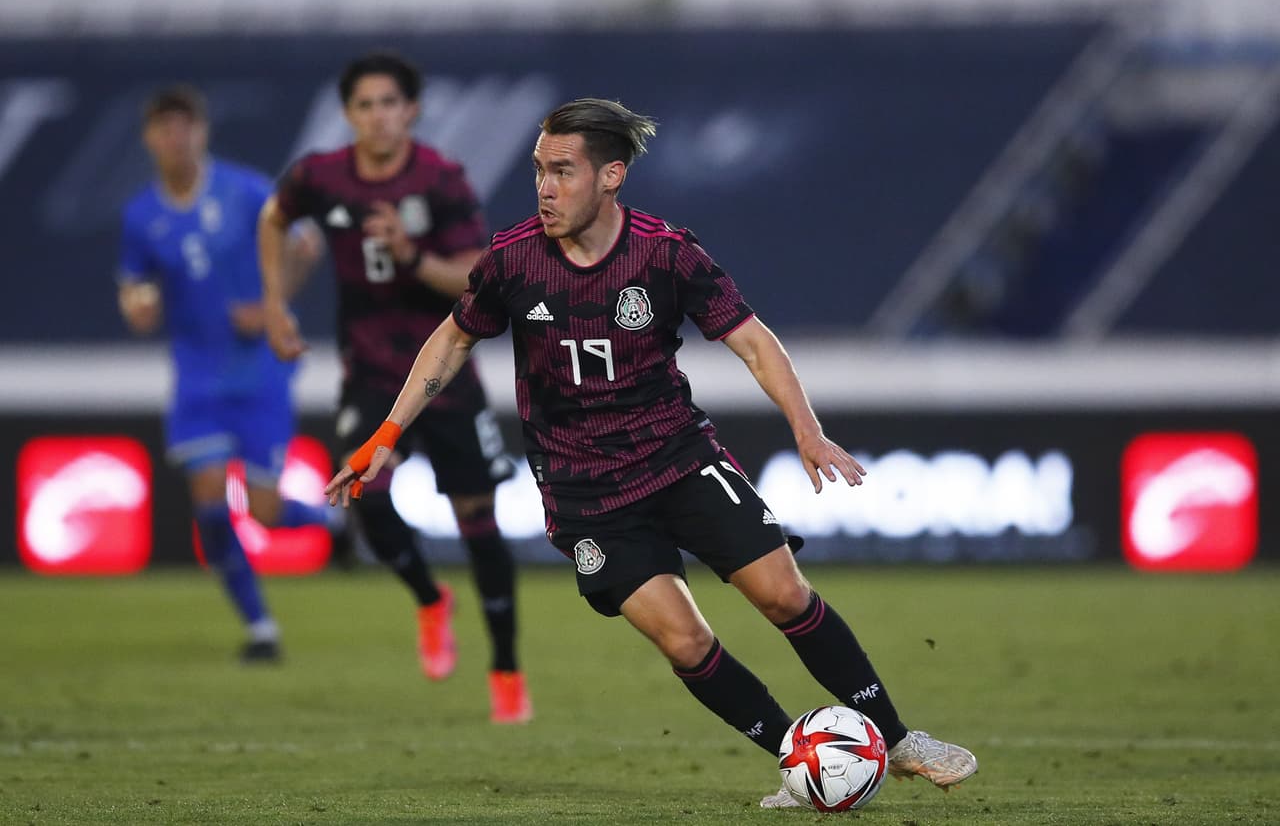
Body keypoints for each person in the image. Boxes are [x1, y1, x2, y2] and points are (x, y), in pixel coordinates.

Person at [323, 97, 978, 803]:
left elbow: (754, 343)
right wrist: (386, 435)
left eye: (563, 171)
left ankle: (898, 739)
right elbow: (453, 338)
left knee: (785, 594)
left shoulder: (665, 253)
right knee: (685, 642)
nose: (545, 187)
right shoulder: (513, 259)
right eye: (540, 170)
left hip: (679, 459)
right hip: (586, 494)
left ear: (612, 176)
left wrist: (806, 429)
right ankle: (803, 764)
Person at [258, 51, 531, 724]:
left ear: (411, 110)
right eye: (365, 105)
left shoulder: (440, 178)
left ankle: (505, 671)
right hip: (371, 373)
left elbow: (476, 277)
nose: (378, 116)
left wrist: (412, 255)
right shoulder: (321, 177)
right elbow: (273, 217)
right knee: (362, 491)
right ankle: (430, 598)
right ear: (348, 114)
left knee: (477, 518)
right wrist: (274, 303)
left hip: (445, 369)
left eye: (389, 103)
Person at [118, 85, 336, 663]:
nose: (176, 138)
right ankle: (261, 628)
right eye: (164, 128)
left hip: (260, 372)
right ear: (150, 139)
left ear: (202, 131)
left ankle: (338, 525)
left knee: (265, 511)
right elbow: (133, 285)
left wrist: (271, 304)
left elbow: (305, 244)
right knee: (210, 499)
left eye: (184, 126)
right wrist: (137, 306)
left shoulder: (244, 191)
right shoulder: (141, 215)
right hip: (197, 379)